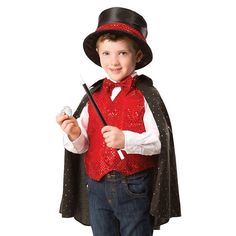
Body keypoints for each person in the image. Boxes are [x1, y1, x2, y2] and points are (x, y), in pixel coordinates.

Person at [56, 7, 181, 236]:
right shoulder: (92, 95)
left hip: (134, 187)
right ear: (98, 53)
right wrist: (74, 134)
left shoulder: (146, 95)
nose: (113, 61)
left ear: (138, 56)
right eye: (106, 54)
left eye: (122, 53)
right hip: (96, 187)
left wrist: (126, 139)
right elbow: (84, 146)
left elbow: (160, 142)